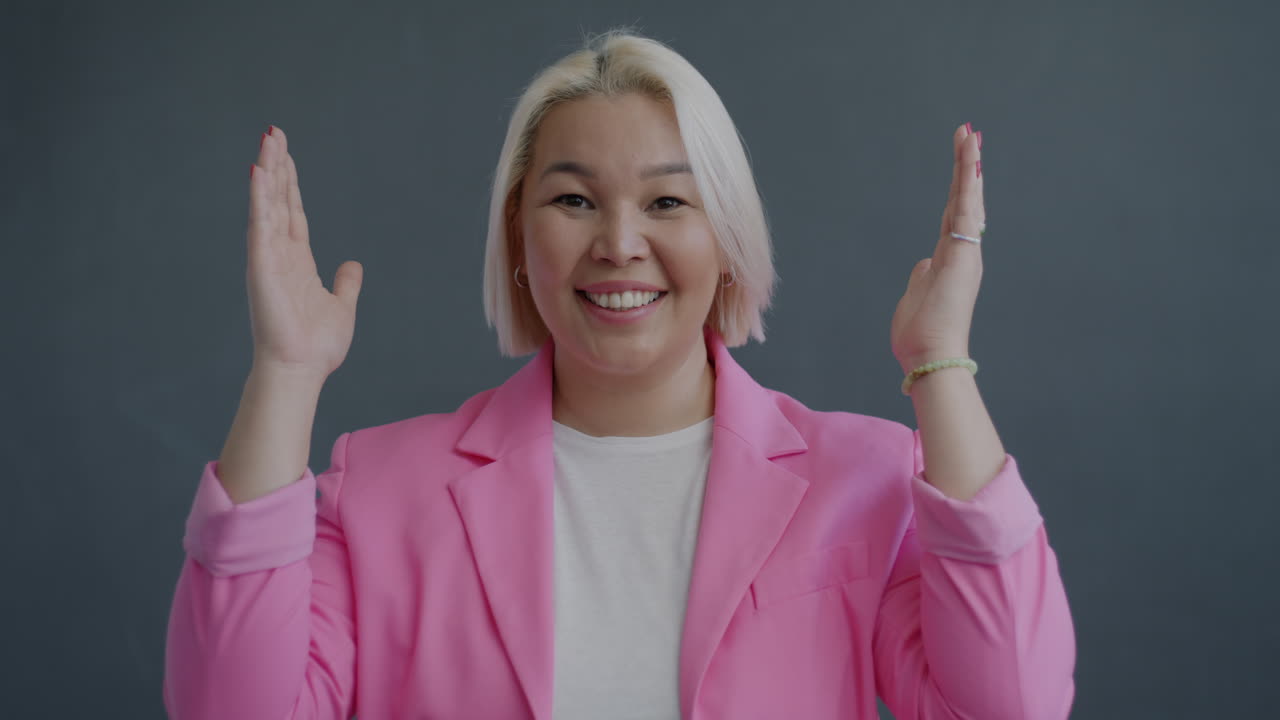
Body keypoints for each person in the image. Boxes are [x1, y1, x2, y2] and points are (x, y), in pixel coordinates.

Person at [163, 28, 1075, 720]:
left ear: (726, 242)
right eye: (573, 200)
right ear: (521, 235)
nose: (620, 243)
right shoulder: (378, 492)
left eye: (668, 202)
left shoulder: (866, 480)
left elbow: (1009, 704)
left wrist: (939, 367)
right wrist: (285, 373)